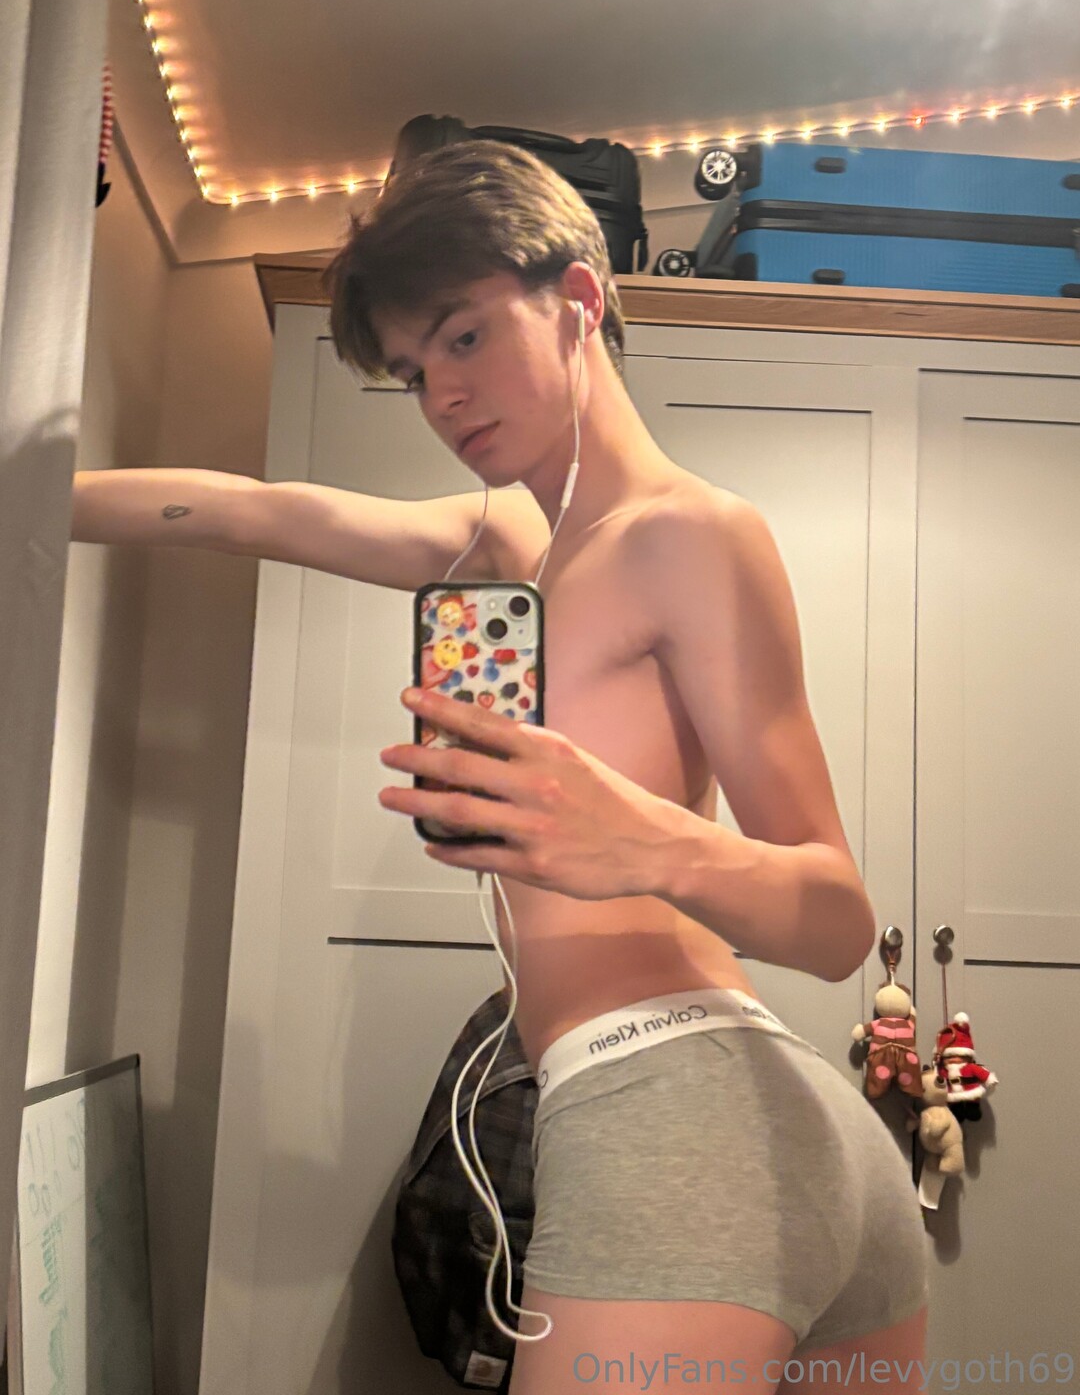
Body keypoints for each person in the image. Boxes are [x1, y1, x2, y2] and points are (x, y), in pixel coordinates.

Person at [72, 141, 929, 1394]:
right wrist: (31, 491)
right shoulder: (508, 545)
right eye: (416, 372)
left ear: (578, 298)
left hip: (674, 1109)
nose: (444, 396)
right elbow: (259, 511)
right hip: (739, 1128)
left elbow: (840, 922)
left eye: (465, 337)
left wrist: (647, 841)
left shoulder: (689, 533)